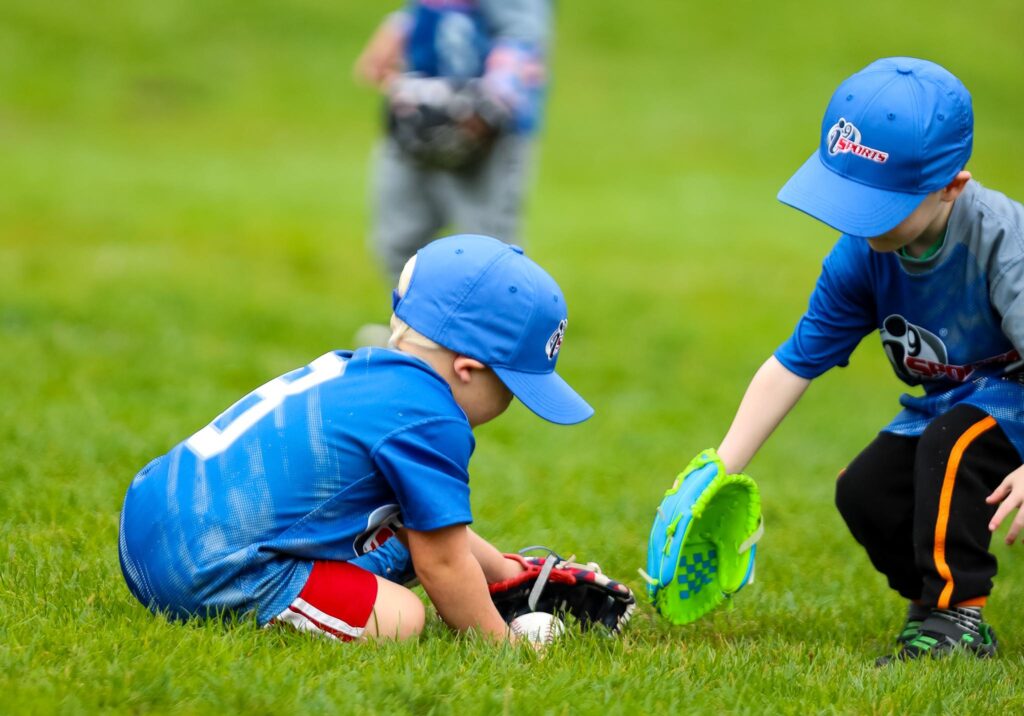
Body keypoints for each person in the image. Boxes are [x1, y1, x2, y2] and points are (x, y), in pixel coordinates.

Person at [118, 234, 593, 643]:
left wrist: (510, 575)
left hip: (155, 519)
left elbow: (428, 529)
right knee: (400, 618)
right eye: (511, 389)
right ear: (467, 370)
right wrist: (503, 645)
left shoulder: (366, 372)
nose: (509, 405)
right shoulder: (431, 419)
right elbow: (444, 562)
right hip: (203, 567)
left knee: (402, 541)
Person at [711, 57, 1024, 663]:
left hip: (1012, 396)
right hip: (952, 403)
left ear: (950, 186)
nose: (856, 216)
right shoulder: (862, 253)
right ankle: (934, 605)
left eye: (878, 201)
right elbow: (795, 362)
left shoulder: (1002, 245)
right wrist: (720, 469)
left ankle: (958, 619)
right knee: (864, 490)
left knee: (951, 442)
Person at [354, 1, 552, 284]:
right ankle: (412, 323)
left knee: (487, 244)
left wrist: (490, 106)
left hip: (484, 129)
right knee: (398, 236)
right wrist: (400, 27)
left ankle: (487, 325)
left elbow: (522, 33)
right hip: (416, 111)